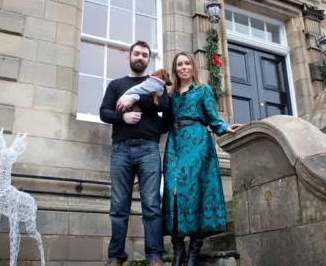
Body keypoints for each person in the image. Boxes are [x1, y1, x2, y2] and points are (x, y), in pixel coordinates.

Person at [162, 52, 242, 266]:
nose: (184, 67)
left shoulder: (203, 90)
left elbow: (213, 119)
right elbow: (164, 123)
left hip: (198, 143)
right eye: (179, 64)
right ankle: (179, 248)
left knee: (195, 192)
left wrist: (225, 127)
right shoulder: (170, 96)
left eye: (187, 63)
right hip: (175, 145)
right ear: (175, 69)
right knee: (173, 192)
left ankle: (194, 253)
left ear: (193, 67)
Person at [100, 40, 168, 266]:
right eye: (136, 54)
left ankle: (155, 256)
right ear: (129, 56)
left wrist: (135, 97)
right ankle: (116, 257)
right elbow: (104, 113)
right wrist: (123, 117)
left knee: (152, 205)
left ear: (149, 60)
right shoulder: (116, 84)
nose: (140, 57)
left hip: (149, 149)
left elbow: (164, 107)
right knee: (118, 207)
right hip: (121, 150)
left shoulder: (156, 84)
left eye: (144, 55)